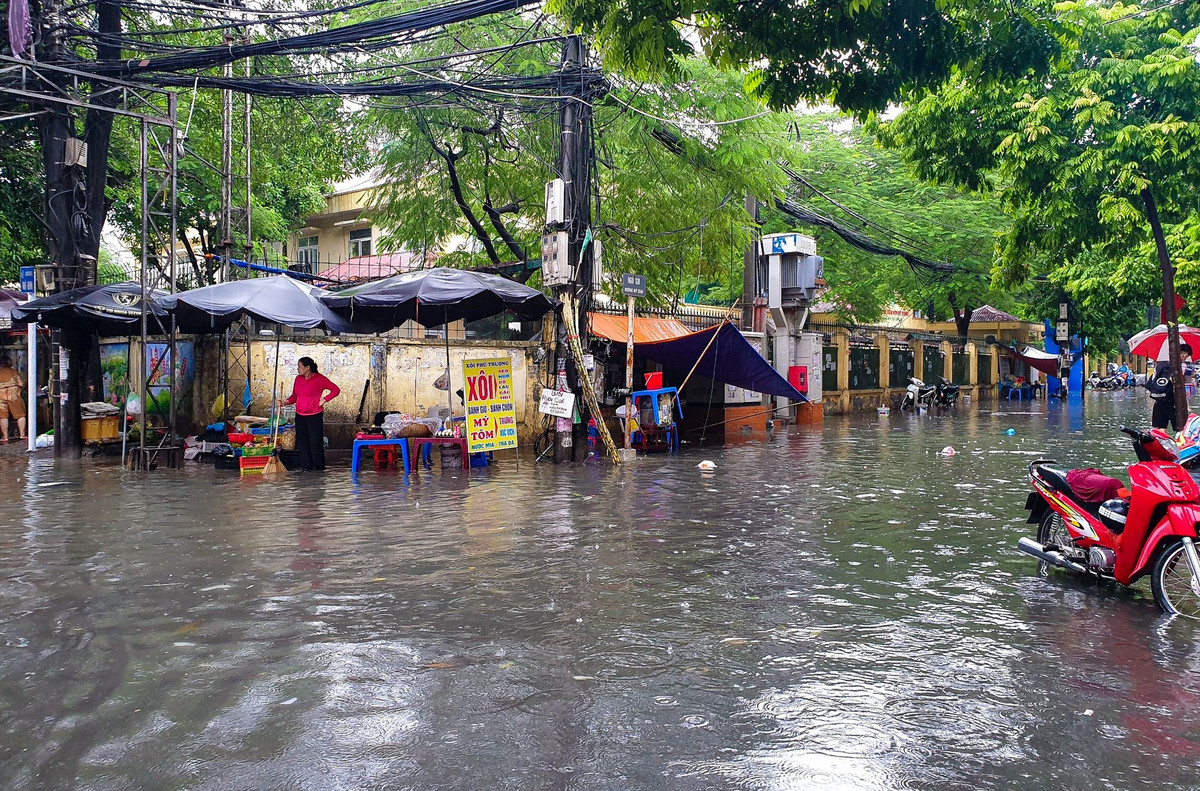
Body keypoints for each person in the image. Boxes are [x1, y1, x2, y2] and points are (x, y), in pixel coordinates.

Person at [282, 356, 339, 471]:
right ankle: (306, 467)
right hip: (300, 415)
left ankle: (318, 467)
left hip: (314, 415)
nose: (297, 369)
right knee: (302, 442)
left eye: (299, 366)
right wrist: (285, 402)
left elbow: (336, 390)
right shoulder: (298, 379)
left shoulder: (320, 379)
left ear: (307, 368)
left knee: (315, 442)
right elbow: (294, 396)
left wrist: (324, 399)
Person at [1147, 344, 1193, 431]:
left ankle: (1157, 443)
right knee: (1181, 429)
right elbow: (1179, 385)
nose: (1185, 359)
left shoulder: (1160, 365)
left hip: (1159, 400)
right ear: (1184, 354)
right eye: (1186, 356)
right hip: (1174, 402)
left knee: (1159, 428)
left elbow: (1151, 383)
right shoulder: (1180, 367)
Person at [0, 356, 26, 442]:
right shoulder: (13, 372)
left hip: (0, 394)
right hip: (13, 394)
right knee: (20, 415)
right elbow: (21, 384)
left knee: (3, 416)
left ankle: (5, 437)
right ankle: (22, 434)